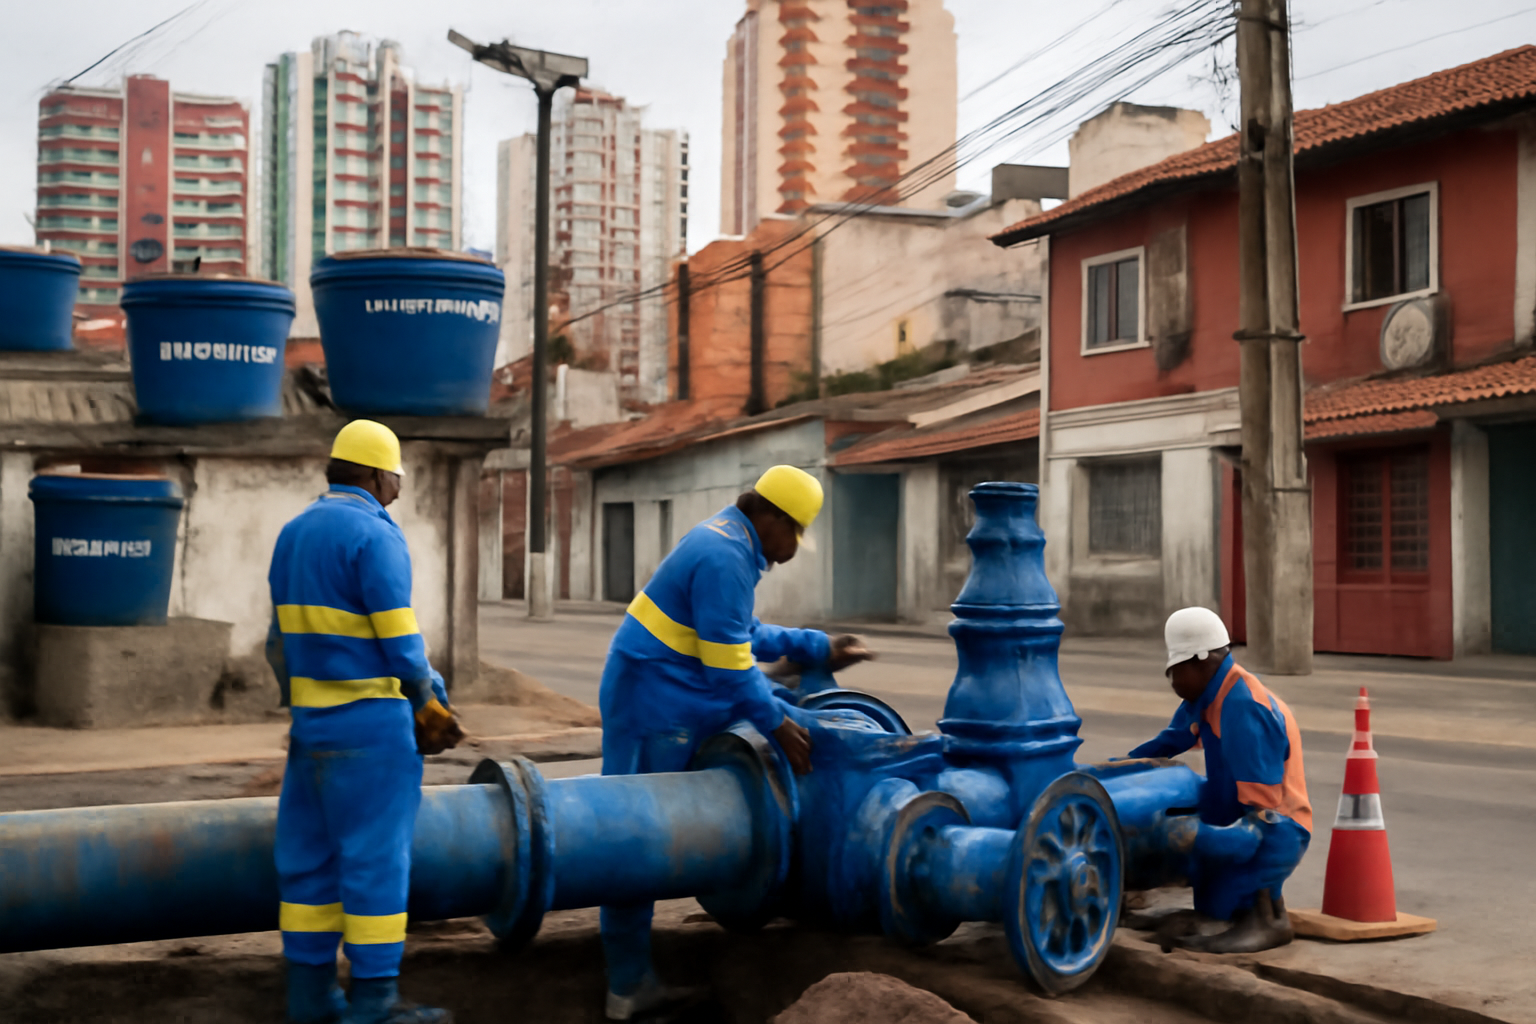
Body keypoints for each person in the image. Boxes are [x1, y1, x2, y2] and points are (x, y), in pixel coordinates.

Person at [597, 465, 874, 1020]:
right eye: (794, 535)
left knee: (792, 709)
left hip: (678, 689)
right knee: (634, 837)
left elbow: (744, 636)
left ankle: (633, 983)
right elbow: (730, 670)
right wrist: (776, 723)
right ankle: (627, 987)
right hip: (654, 702)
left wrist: (817, 648)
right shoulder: (724, 556)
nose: (793, 549)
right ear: (770, 518)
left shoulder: (730, 543)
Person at [266, 420, 466, 1024]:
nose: (399, 491)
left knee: (309, 860)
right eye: (397, 479)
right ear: (379, 475)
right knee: (376, 860)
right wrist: (428, 699)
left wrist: (301, 703)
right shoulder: (376, 536)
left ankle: (309, 998)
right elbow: (399, 635)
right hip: (372, 727)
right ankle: (375, 1003)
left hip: (312, 729)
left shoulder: (293, 533)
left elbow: (277, 643)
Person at [1125, 606, 1312, 953]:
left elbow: (1262, 808)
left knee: (1182, 841)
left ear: (1202, 661)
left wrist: (1195, 837)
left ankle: (1266, 918)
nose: (1172, 683)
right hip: (1238, 813)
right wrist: (1117, 769)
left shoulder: (1245, 706)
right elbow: (1170, 741)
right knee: (1213, 907)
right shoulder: (1208, 694)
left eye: (1175, 672)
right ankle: (1241, 907)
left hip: (1274, 830)